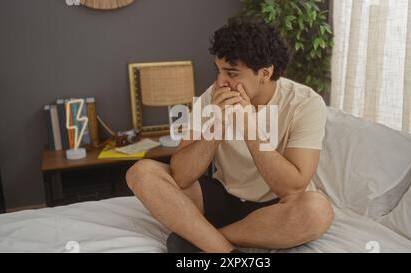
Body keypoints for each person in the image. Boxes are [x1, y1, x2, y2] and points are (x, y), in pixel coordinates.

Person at [126, 17, 334, 253]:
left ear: (265, 73)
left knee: (318, 211)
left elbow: (292, 188)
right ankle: (227, 252)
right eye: (219, 70)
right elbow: (181, 176)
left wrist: (248, 126)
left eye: (232, 73)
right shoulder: (211, 96)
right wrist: (218, 123)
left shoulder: (305, 103)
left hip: (275, 207)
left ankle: (200, 240)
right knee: (141, 173)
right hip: (225, 197)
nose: (220, 81)